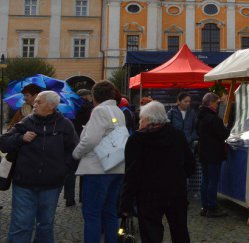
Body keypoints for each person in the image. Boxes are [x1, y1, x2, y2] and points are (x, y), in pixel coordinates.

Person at [0, 90, 78, 242]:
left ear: (51, 106)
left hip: (51, 185)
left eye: (38, 102)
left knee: (45, 224)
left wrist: (63, 170)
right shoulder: (26, 122)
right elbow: (3, 143)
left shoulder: (65, 125)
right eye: (34, 101)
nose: (34, 104)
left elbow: (74, 150)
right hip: (24, 184)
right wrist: (21, 138)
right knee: (21, 224)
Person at [120, 101, 195, 243]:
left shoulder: (137, 140)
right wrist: (178, 177)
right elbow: (190, 164)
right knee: (180, 231)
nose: (139, 122)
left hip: (148, 195)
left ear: (148, 120)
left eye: (141, 119)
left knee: (150, 233)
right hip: (176, 192)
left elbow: (131, 174)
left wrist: (125, 203)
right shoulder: (177, 135)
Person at [72, 80, 127, 243]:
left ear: (94, 96)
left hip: (98, 169)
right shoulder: (118, 111)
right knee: (109, 212)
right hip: (116, 167)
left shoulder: (99, 111)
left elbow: (91, 139)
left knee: (92, 213)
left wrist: (76, 153)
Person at [196, 92, 229, 217]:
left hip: (203, 151)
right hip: (214, 152)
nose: (216, 105)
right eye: (216, 103)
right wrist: (225, 128)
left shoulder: (199, 116)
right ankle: (212, 207)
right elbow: (224, 134)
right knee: (213, 180)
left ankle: (204, 205)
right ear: (211, 103)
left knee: (205, 179)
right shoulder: (214, 118)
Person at [63, 88, 94, 207]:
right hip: (85, 141)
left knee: (70, 172)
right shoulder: (92, 109)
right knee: (85, 171)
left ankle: (69, 198)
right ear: (87, 97)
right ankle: (83, 197)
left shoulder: (71, 108)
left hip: (71, 141)